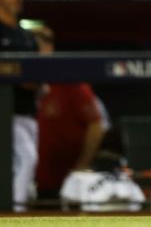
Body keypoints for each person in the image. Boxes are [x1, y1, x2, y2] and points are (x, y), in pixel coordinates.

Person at [34, 23, 109, 200]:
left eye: (44, 43)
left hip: (66, 183)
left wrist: (82, 165)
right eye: (34, 44)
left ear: (50, 47)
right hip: (32, 179)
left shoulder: (70, 82)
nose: (40, 48)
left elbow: (97, 126)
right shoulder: (19, 86)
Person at [0, 0, 38, 211]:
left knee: (24, 164)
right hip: (4, 114)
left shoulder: (25, 35)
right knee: (26, 158)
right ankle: (13, 217)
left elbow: (36, 77)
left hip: (27, 113)